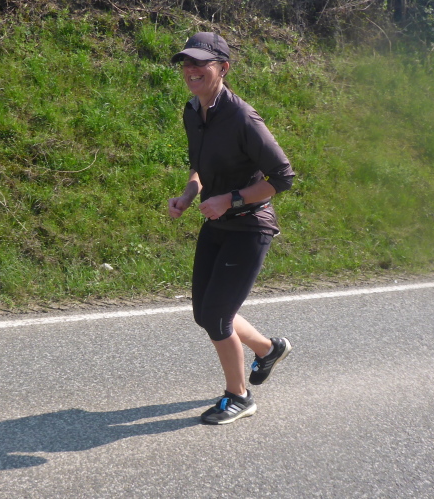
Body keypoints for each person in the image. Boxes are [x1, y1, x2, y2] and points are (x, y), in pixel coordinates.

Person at [167, 32, 295, 425]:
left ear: (223, 68)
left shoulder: (242, 117)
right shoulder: (194, 111)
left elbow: (282, 177)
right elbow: (200, 167)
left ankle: (239, 396)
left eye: (200, 63)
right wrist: (189, 194)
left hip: (250, 225)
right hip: (217, 223)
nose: (191, 70)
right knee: (205, 314)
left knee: (218, 318)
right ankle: (268, 349)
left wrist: (230, 200)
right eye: (187, 62)